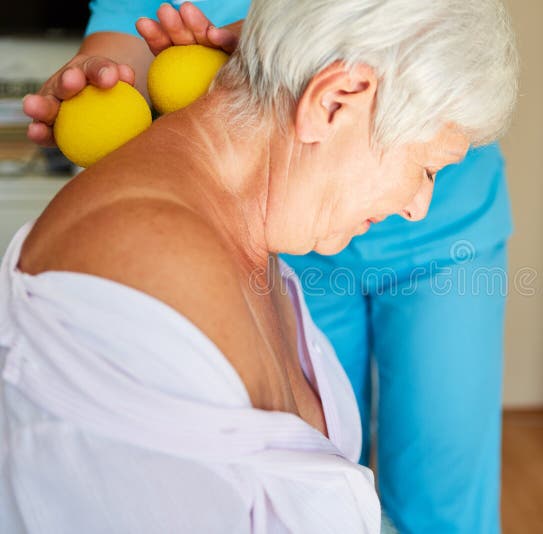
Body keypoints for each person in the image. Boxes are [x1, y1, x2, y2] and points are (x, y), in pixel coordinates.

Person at [21, 2, 517, 532]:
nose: (421, 206)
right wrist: (261, 70)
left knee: (436, 468)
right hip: (296, 181)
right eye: (426, 171)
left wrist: (291, 51)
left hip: (327, 181)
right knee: (316, 462)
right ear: (333, 102)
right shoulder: (168, 273)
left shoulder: (281, 219)